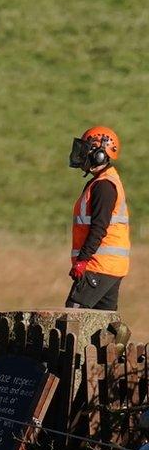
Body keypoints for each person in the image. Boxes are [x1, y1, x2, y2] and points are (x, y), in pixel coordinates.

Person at [66, 126, 130, 311]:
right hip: (109, 268)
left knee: (71, 318)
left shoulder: (104, 186)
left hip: (98, 266)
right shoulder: (102, 181)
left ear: (100, 154)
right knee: (102, 324)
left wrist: (82, 260)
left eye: (87, 149)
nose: (81, 154)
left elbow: (99, 228)